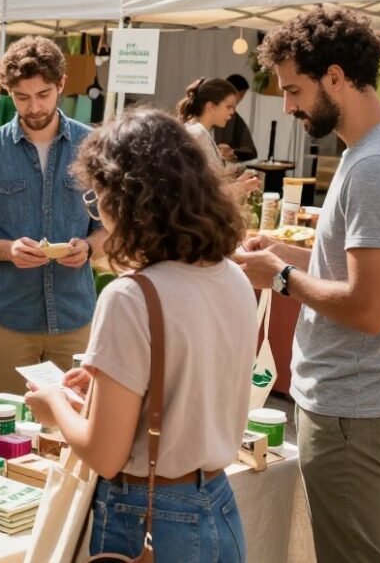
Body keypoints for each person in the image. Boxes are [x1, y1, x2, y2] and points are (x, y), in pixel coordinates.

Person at [233, 6, 380, 562]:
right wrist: (287, 253)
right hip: (361, 398)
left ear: (335, 77)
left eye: (294, 89)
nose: (288, 105)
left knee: (350, 554)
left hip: (356, 402)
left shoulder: (377, 164)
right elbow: (356, 267)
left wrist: (279, 277)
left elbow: (368, 307)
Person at [25, 108, 252, 560]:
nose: (98, 209)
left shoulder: (131, 296)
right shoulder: (232, 276)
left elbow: (105, 455)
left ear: (127, 200)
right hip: (219, 504)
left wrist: (52, 403)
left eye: (98, 196)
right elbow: (190, 381)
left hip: (149, 517)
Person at [0, 36, 107, 396]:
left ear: (61, 85)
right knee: (12, 430)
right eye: (21, 97)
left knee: (75, 425)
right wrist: (9, 250)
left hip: (75, 317)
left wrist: (87, 248)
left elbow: (109, 227)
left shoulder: (93, 147)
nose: (34, 106)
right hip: (11, 319)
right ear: (7, 91)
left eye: (43, 95)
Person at [177, 77, 241, 168]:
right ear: (211, 107)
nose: (232, 112)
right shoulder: (197, 134)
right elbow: (201, 181)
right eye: (228, 107)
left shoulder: (203, 132)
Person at [213, 73, 259, 162]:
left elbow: (250, 150)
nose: (240, 100)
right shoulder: (206, 113)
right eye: (240, 96)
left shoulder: (235, 119)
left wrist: (232, 152)